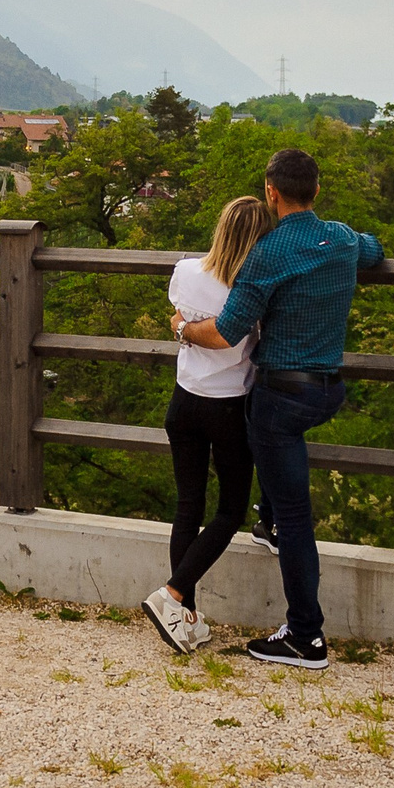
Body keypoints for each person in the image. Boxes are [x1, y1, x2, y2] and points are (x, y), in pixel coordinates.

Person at [171, 147, 381, 668]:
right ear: (317, 189)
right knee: (274, 485)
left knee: (294, 514)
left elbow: (224, 332)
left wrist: (180, 328)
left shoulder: (267, 252)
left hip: (282, 397)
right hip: (328, 388)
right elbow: (375, 252)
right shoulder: (344, 239)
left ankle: (305, 636)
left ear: (271, 192)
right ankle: (267, 516)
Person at [142, 195, 271, 654]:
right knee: (231, 511)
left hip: (184, 401)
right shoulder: (251, 288)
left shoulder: (186, 270)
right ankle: (172, 595)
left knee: (188, 506)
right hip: (228, 406)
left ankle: (185, 618)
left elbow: (176, 316)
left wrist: (181, 327)